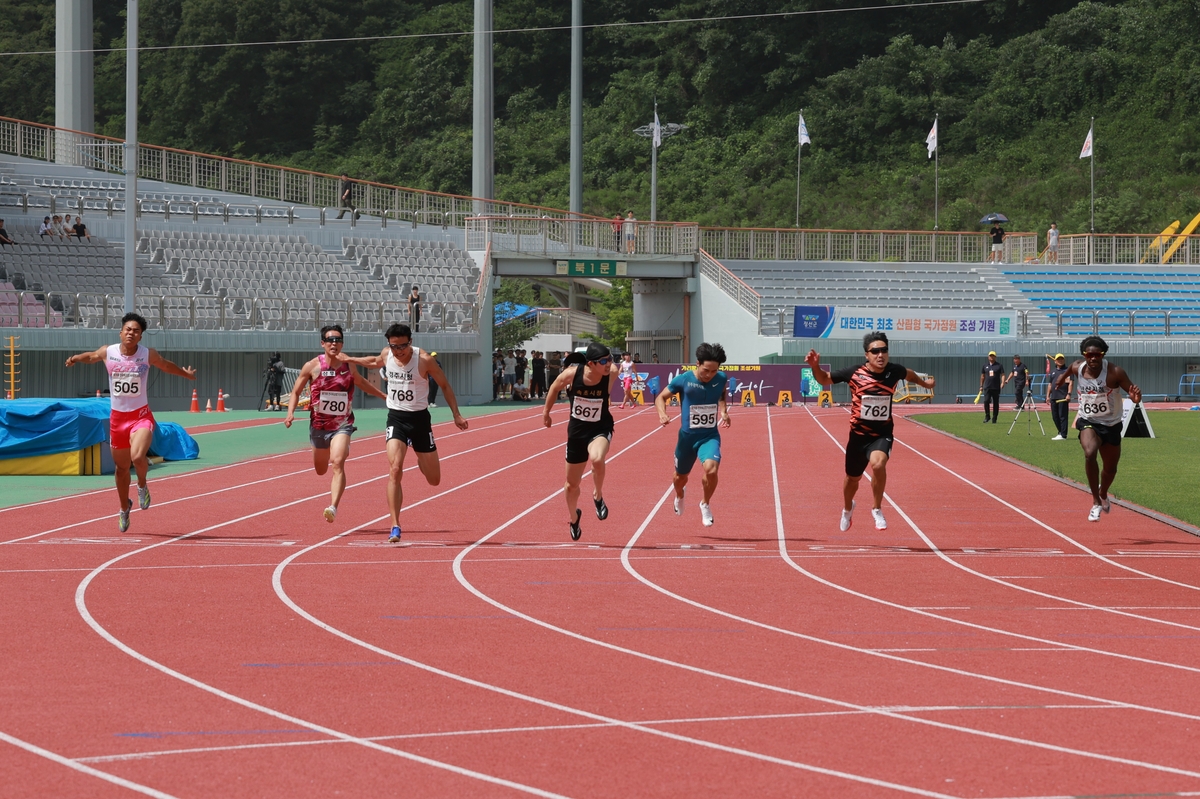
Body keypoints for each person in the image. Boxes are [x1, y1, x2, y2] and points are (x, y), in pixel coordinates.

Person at [65, 313, 197, 532]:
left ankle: (142, 485)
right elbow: (91, 357)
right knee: (121, 469)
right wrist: (76, 358)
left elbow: (165, 365)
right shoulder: (110, 352)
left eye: (135, 331)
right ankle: (124, 507)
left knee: (137, 457)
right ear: (121, 332)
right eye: (128, 329)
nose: (131, 333)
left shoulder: (147, 355)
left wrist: (186, 374)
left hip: (141, 416)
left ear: (140, 336)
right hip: (118, 419)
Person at [338, 323, 468, 542]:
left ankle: (421, 460)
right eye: (394, 346)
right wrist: (349, 359)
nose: (398, 351)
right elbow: (373, 361)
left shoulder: (424, 360)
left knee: (434, 480)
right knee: (395, 469)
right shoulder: (387, 354)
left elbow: (444, 386)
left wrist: (456, 414)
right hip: (396, 418)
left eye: (403, 346)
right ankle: (395, 525)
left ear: (411, 342)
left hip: (419, 420)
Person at [805, 333, 935, 531]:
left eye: (884, 350)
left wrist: (927, 385)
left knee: (878, 463)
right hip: (858, 436)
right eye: (875, 351)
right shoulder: (854, 373)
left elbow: (909, 374)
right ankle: (848, 508)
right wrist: (815, 367)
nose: (880, 355)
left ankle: (876, 508)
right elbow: (824, 379)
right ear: (867, 355)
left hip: (882, 434)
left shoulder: (895, 371)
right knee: (852, 479)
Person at [284, 325, 387, 524]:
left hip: (342, 424)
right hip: (319, 426)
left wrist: (382, 395)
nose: (334, 343)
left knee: (338, 462)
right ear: (322, 343)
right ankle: (322, 456)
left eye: (338, 340)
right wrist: (290, 413)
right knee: (320, 469)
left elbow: (361, 382)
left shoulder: (349, 364)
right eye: (330, 340)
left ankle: (333, 506)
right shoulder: (312, 366)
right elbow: (296, 391)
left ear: (342, 343)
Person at [1051, 336, 1141, 522]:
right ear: (1084, 355)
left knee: (1110, 470)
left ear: (1103, 354)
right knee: (1090, 452)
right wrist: (1061, 379)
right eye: (1089, 354)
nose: (1093, 358)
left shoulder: (1115, 372)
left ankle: (1103, 493)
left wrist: (1135, 398)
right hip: (1088, 420)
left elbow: (1131, 393)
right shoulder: (1078, 366)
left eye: (1097, 354)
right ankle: (1095, 502)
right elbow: (1068, 371)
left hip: (1111, 424)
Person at [543, 343, 620, 541]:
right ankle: (574, 517)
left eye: (610, 359)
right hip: (577, 433)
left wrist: (609, 364)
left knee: (597, 458)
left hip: (600, 428)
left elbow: (612, 369)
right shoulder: (572, 374)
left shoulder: (611, 372)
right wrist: (546, 413)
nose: (608, 363)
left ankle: (598, 495)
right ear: (591, 364)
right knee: (571, 485)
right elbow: (553, 388)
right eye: (603, 361)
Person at [655, 342, 731, 527]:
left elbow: (721, 394)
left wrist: (724, 411)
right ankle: (680, 495)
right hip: (687, 438)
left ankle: (705, 503)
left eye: (714, 371)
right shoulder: (683, 380)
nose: (709, 375)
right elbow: (660, 397)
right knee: (680, 478)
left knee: (712, 469)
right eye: (706, 370)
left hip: (709, 436)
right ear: (697, 363)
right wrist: (662, 413)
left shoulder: (721, 378)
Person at [1048, 353, 1073, 440]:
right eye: (1058, 359)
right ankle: (1060, 432)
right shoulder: (1053, 372)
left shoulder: (1068, 371)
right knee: (1055, 417)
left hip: (1063, 397)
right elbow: (1050, 384)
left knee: (1062, 416)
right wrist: (1047, 396)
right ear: (1055, 361)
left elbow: (1070, 383)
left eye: (1062, 359)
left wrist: (1069, 394)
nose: (1060, 360)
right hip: (1054, 396)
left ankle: (1063, 435)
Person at [979, 351, 1004, 423]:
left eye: (993, 356)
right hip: (987, 387)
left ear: (995, 357)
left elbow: (1002, 374)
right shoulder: (985, 365)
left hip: (996, 387)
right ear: (988, 357)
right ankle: (987, 416)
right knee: (986, 401)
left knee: (996, 403)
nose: (991, 357)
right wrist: (981, 385)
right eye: (990, 356)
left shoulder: (999, 365)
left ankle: (994, 418)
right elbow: (982, 376)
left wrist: (1002, 382)